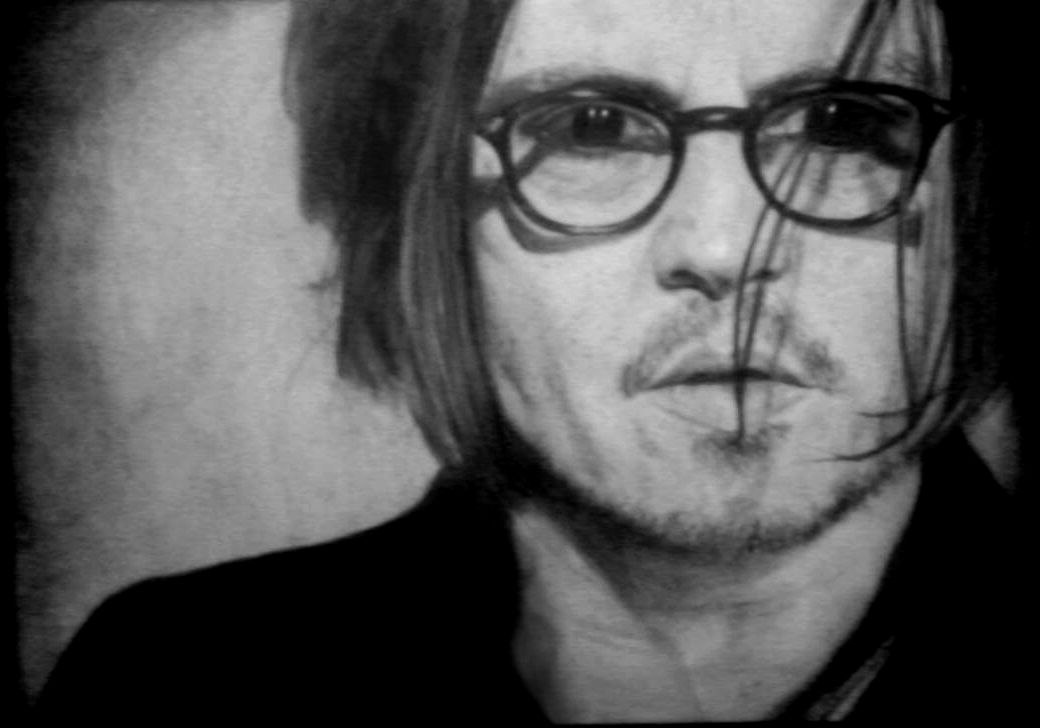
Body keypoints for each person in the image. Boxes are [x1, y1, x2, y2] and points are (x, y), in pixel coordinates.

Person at [37, 0, 1030, 722]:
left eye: (840, 123)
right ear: (411, 215)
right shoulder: (180, 683)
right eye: (590, 128)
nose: (724, 248)